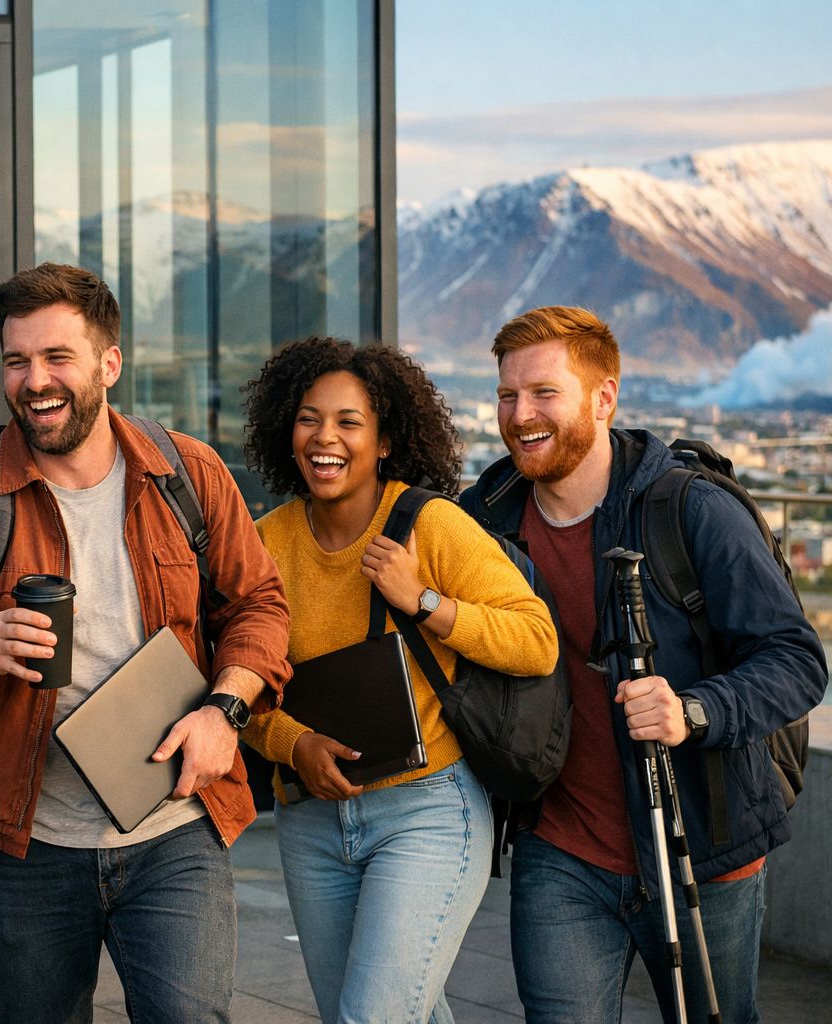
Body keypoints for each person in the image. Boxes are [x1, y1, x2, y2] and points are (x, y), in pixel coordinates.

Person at [0, 262, 291, 1024]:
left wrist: (224, 712)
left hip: (175, 823)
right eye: (17, 360)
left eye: (57, 357)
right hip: (21, 846)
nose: (35, 380)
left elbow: (259, 606)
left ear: (109, 364)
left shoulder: (186, 473)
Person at [459, 306, 828, 1024]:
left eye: (543, 393)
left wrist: (694, 711)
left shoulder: (689, 509)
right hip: (559, 851)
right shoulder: (486, 517)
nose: (520, 414)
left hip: (703, 847)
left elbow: (795, 659)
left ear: (604, 398)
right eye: (507, 395)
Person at [238, 337, 559, 1024]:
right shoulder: (265, 544)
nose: (325, 438)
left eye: (349, 422)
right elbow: (239, 683)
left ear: (385, 441)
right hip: (311, 820)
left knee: (372, 1017)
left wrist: (424, 602)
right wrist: (293, 746)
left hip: (427, 813)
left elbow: (537, 642)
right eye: (308, 418)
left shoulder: (430, 525)